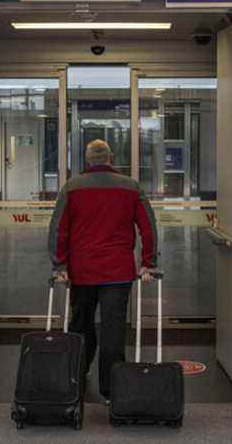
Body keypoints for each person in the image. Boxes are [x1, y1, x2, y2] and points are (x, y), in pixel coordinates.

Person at [48, 139, 159, 402]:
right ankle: (111, 389)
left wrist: (59, 264)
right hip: (118, 272)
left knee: (80, 324)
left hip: (82, 270)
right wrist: (148, 261)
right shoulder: (131, 187)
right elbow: (148, 227)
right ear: (110, 158)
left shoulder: (71, 187)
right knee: (113, 329)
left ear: (88, 161)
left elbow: (57, 229)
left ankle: (78, 374)